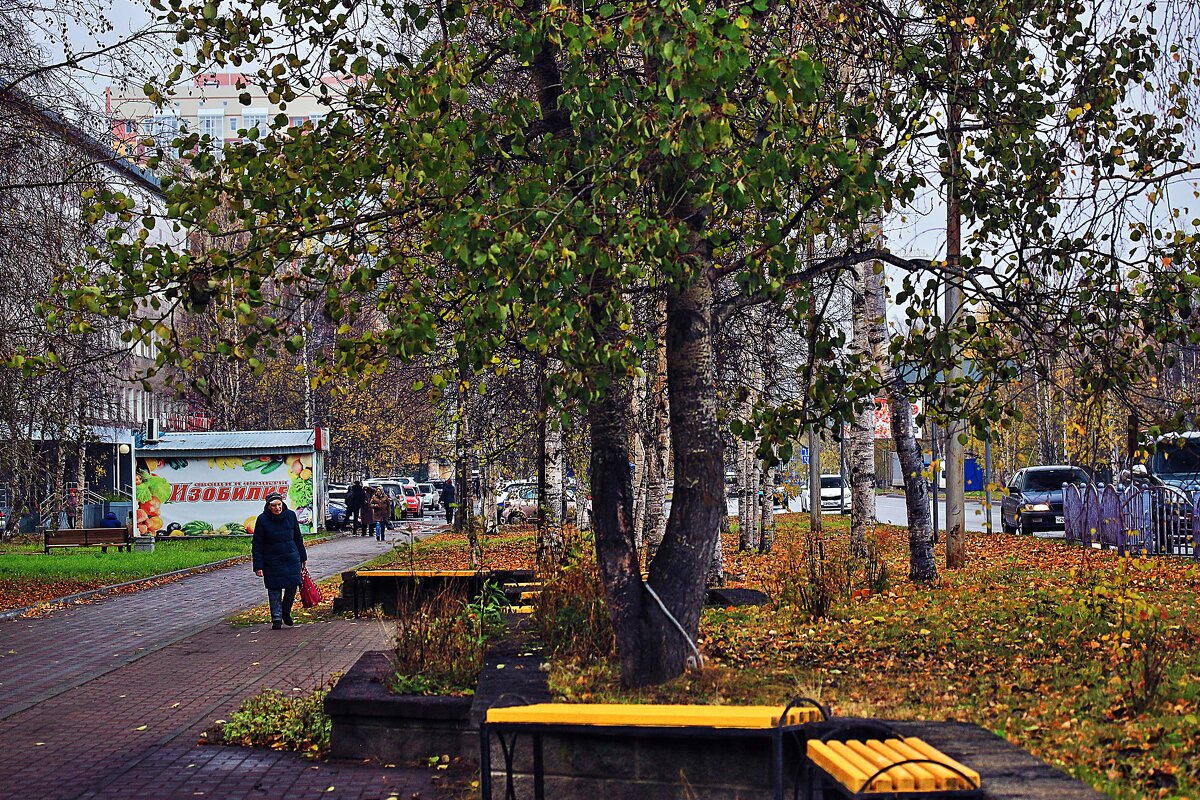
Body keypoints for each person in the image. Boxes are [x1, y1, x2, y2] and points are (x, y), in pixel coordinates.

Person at [252, 492, 308, 630]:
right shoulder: (262, 520)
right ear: (268, 506)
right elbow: (257, 544)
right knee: (274, 589)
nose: (277, 508)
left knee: (292, 586)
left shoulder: (290, 516)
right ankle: (276, 618)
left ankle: (286, 612)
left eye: (279, 504)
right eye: (273, 505)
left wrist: (303, 556)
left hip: (291, 557)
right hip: (272, 560)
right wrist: (258, 565)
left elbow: (297, 537)